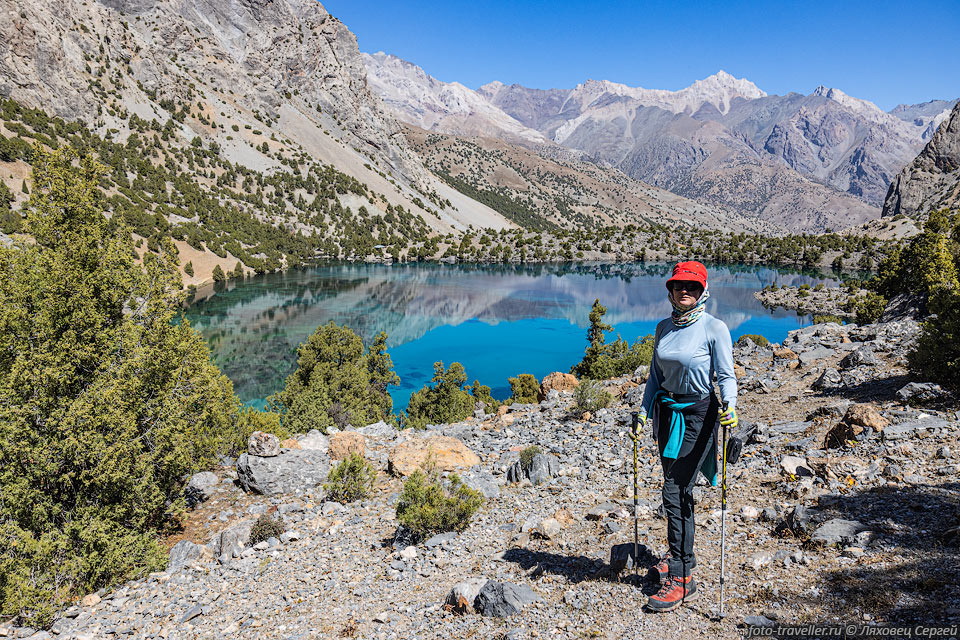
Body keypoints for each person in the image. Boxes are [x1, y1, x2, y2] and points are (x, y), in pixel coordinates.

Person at [634, 261, 738, 612]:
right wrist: (643, 412)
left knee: (674, 491)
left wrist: (731, 407)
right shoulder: (663, 327)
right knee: (678, 490)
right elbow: (654, 377)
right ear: (670, 290)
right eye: (679, 286)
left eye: (692, 286)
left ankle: (681, 578)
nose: (685, 291)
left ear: (703, 290)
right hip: (667, 415)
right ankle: (683, 557)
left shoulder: (714, 328)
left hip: (698, 415)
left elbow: (726, 376)